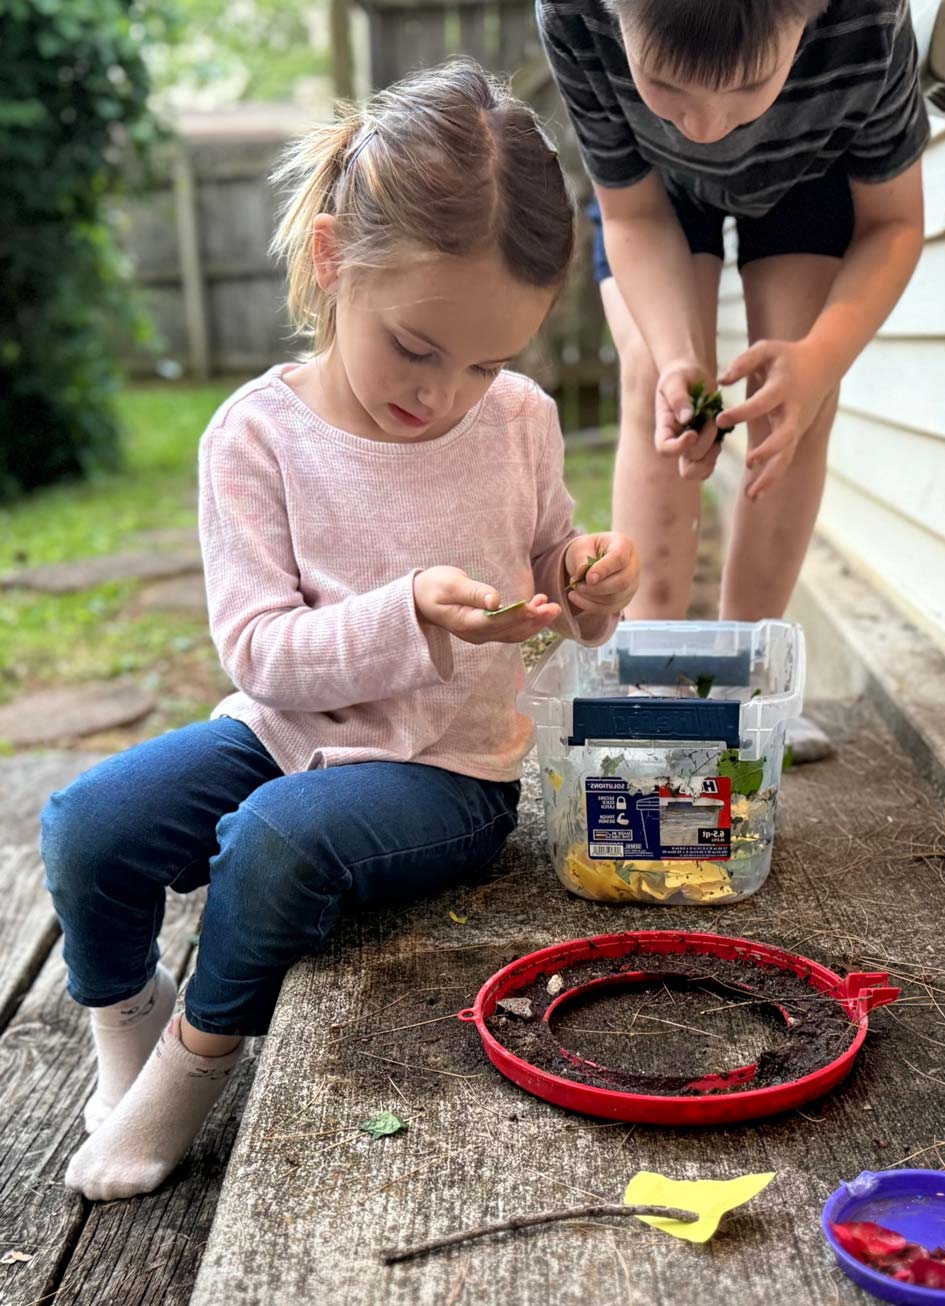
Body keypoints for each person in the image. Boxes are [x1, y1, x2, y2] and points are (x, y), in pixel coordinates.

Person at [41, 60, 639, 1202]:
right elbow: (260, 653)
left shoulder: (517, 422)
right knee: (84, 825)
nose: (448, 394)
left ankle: (192, 1064)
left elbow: (552, 563)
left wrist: (585, 578)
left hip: (444, 768)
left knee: (274, 842)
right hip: (283, 728)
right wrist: (405, 605)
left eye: (488, 362)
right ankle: (128, 1027)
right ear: (331, 262)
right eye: (417, 349)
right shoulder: (255, 438)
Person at [538, 0, 928, 758]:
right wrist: (681, 354)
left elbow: (895, 223)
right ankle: (646, 675)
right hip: (652, 196)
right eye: (666, 86)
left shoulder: (869, 22)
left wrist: (817, 363)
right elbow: (629, 213)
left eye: (748, 88)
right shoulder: (574, 13)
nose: (707, 126)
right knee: (659, 381)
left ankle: (750, 685)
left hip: (811, 173)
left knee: (794, 402)